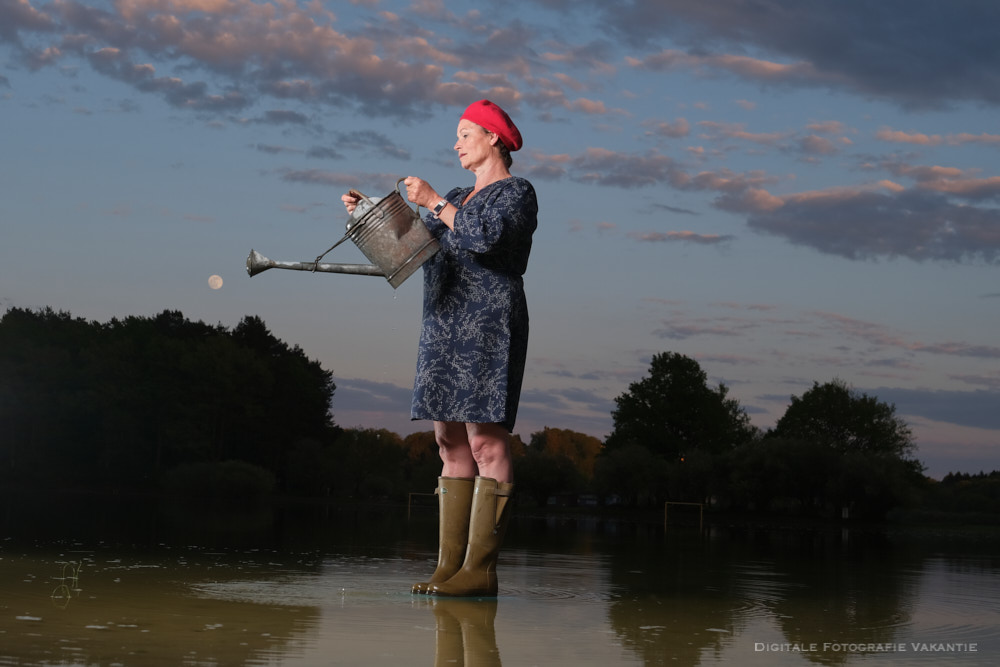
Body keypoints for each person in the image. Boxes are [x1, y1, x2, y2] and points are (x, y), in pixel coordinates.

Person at [341, 100, 537, 597]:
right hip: (444, 323)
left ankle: (481, 571)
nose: (456, 143)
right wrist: (369, 216)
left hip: (489, 324)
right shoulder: (454, 195)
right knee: (448, 442)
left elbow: (486, 239)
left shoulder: (516, 194)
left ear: (493, 138)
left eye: (465, 133)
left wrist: (432, 202)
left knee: (485, 442)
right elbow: (404, 253)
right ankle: (449, 568)